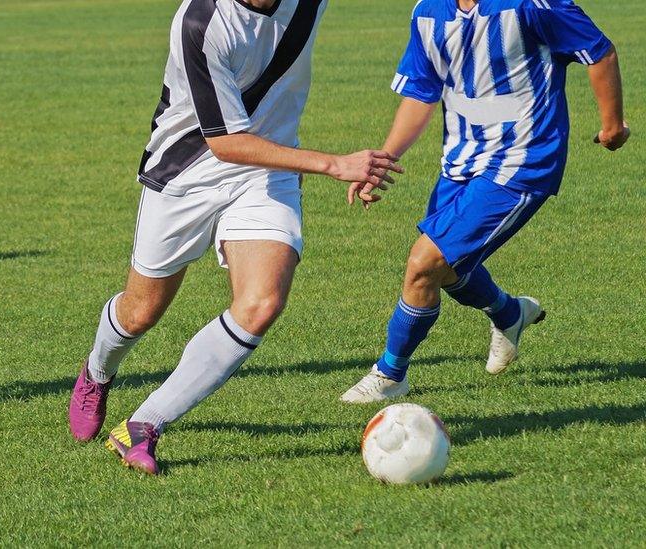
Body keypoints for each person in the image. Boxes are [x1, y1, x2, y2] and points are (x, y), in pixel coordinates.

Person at [67, 0, 402, 474]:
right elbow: (226, 143)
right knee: (140, 312)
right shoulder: (201, 21)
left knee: (261, 303)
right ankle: (97, 372)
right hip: (187, 173)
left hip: (267, 172)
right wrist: (334, 164)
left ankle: (140, 427)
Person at [340, 0, 629, 403]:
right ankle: (509, 314)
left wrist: (612, 126)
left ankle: (390, 374)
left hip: (524, 160)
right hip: (460, 162)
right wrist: (382, 161)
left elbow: (598, 51)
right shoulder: (428, 12)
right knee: (449, 269)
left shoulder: (531, 6)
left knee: (424, 264)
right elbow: (423, 92)